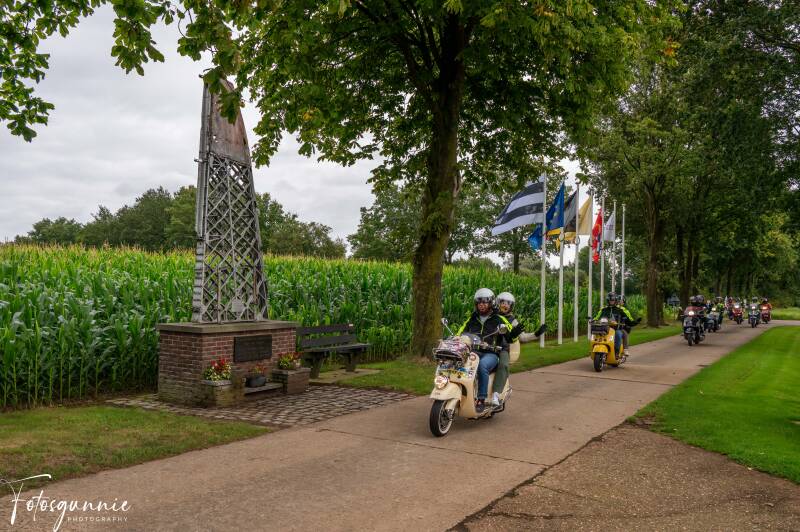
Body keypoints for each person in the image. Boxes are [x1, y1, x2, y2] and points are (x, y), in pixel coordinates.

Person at [456, 288, 511, 413]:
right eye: (479, 302)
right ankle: (460, 393)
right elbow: (461, 332)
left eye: (485, 302)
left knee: (482, 366)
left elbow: (509, 330)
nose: (481, 305)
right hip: (474, 351)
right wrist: (456, 337)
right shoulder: (472, 318)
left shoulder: (498, 318)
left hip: (491, 353)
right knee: (460, 364)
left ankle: (481, 399)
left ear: (491, 303)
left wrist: (504, 330)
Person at [493, 292, 547, 406]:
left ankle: (497, 394)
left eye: (508, 303)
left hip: (502, 348)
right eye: (503, 302)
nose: (505, 305)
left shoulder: (512, 320)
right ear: (498, 303)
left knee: (503, 365)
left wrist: (536, 334)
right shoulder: (491, 315)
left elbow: (523, 337)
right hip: (486, 346)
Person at [593, 292, 633, 358]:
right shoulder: (604, 309)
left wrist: (627, 321)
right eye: (610, 300)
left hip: (616, 328)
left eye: (613, 300)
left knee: (618, 334)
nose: (611, 301)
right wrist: (593, 320)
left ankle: (616, 353)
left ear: (616, 300)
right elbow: (597, 316)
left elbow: (628, 318)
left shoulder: (620, 309)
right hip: (605, 327)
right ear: (608, 300)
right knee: (597, 333)